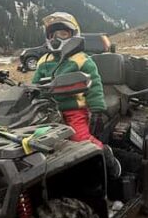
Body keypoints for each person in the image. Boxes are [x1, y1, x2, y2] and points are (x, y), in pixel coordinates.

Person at [32, 12, 121, 183]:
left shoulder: (81, 60)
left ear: (74, 35)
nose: (57, 38)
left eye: (63, 34)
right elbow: (35, 85)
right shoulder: (43, 60)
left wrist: (97, 111)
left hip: (74, 111)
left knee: (80, 140)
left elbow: (94, 85)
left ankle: (106, 155)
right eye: (53, 34)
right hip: (48, 112)